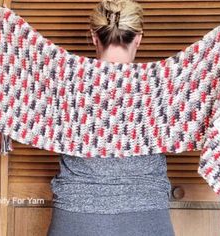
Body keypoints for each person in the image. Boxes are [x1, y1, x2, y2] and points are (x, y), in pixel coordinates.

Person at [47, 0, 175, 235]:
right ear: (138, 38)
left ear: (95, 37)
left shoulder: (63, 82)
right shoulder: (163, 86)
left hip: (75, 218)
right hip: (147, 218)